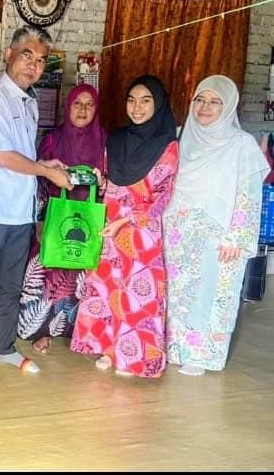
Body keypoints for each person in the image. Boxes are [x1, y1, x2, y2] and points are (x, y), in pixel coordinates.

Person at [0, 25, 72, 386]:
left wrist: (45, 165)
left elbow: (22, 155)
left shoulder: (29, 102)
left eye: (41, 61)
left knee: (12, 285)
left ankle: (4, 347)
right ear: (10, 54)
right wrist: (48, 172)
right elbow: (5, 158)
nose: (34, 66)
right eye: (27, 55)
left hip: (21, 212)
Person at [70, 74, 178, 379]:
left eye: (145, 101)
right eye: (131, 100)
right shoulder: (115, 139)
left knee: (136, 294)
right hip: (109, 225)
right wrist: (101, 181)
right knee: (108, 288)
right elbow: (111, 185)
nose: (137, 107)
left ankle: (133, 358)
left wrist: (125, 221)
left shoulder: (167, 144)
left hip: (140, 231)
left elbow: (161, 196)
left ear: (158, 104)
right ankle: (108, 348)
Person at [163, 75, 269, 376]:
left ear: (229, 106)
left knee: (211, 292)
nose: (205, 107)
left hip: (219, 232)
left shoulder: (241, 144)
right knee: (177, 292)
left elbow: (249, 194)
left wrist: (237, 237)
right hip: (178, 229)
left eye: (214, 102)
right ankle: (174, 348)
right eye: (200, 100)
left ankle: (202, 355)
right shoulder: (181, 136)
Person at [18, 84, 107, 354]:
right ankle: (42, 332)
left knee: (79, 276)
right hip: (55, 217)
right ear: (68, 107)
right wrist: (39, 220)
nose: (83, 110)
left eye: (89, 105)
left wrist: (102, 183)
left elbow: (113, 184)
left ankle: (75, 332)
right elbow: (37, 180)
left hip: (89, 220)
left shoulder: (105, 141)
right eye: (77, 103)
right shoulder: (53, 140)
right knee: (49, 273)